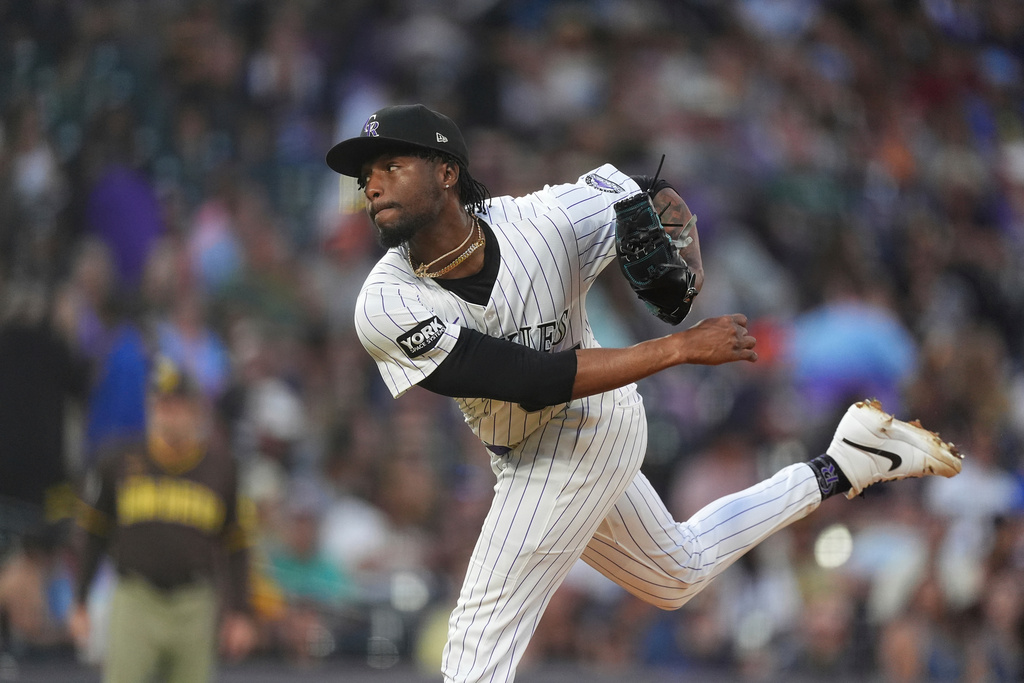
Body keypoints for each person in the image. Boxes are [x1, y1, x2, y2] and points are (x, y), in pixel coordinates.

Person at [324, 103, 964, 683]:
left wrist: (677, 242)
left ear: (445, 172)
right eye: (364, 176)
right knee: (675, 574)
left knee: (472, 647)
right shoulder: (385, 302)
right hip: (527, 438)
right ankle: (845, 462)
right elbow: (524, 379)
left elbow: (648, 196)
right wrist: (679, 347)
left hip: (588, 427)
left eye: (390, 165)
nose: (371, 184)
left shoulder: (543, 223)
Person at [69, 356, 256, 683]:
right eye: (162, 404)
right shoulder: (118, 460)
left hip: (194, 602)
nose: (169, 414)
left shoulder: (221, 468)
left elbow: (236, 545)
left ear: (197, 410)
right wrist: (80, 600)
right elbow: (94, 533)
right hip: (135, 597)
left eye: (178, 405)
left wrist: (240, 612)